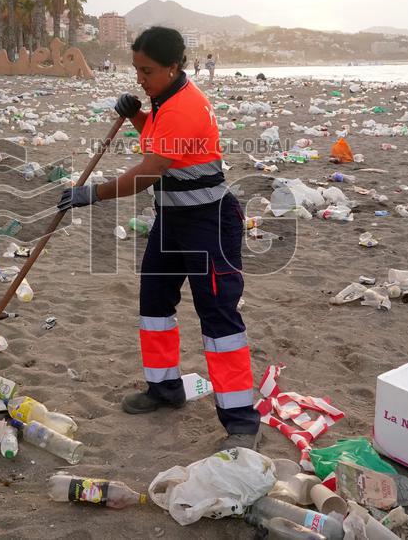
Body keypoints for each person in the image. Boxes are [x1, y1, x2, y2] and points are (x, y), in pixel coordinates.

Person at [58, 26, 260, 449]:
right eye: (136, 69)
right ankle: (165, 388)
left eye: (146, 70)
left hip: (209, 222)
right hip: (171, 221)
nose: (139, 78)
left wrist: (90, 194)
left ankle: (241, 421)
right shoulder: (165, 100)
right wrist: (136, 116)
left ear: (173, 67)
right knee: (154, 305)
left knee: (219, 319)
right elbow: (158, 138)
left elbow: (146, 171)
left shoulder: (185, 106)